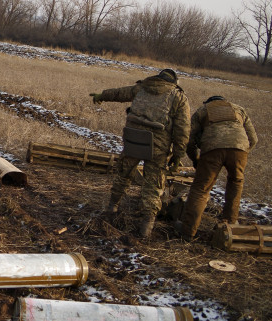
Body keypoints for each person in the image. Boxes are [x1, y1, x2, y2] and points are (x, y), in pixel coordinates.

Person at [90, 68, 190, 239]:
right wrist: (178, 155)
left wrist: (102, 95)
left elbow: (121, 93)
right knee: (153, 184)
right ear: (174, 82)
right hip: (158, 146)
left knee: (124, 174)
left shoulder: (142, 88)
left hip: (133, 140)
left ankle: (112, 207)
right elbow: (183, 129)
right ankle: (147, 225)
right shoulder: (178, 97)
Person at [176, 96, 258, 240]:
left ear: (208, 102)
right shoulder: (238, 109)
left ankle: (187, 232)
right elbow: (253, 139)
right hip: (239, 149)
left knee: (201, 189)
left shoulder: (202, 110)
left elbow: (189, 139)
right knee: (235, 183)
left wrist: (196, 159)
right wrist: (242, 151)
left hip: (212, 149)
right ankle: (228, 228)